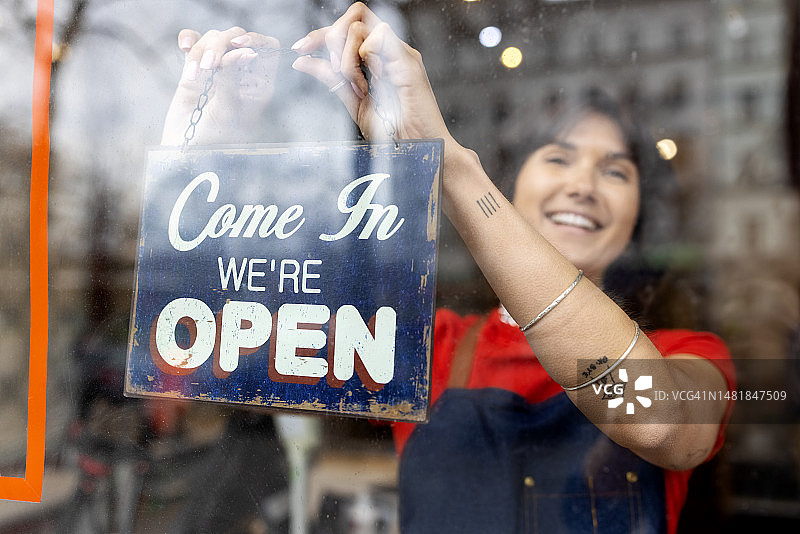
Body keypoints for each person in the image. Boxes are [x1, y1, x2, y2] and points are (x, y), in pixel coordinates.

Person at [160, 4, 736, 533]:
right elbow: (212, 350)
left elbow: (657, 422)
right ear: (513, 187)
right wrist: (211, 160)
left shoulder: (692, 356)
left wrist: (447, 162)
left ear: (637, 213)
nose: (582, 185)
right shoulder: (419, 346)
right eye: (558, 158)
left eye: (615, 171)